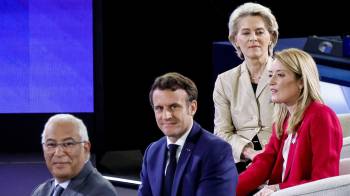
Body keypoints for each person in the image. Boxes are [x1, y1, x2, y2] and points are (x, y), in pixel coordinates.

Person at [236, 48, 343, 196]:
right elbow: (265, 162)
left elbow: (325, 181)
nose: (271, 82)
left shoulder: (321, 116)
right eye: (270, 75)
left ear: (301, 82)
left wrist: (278, 188)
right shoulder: (283, 119)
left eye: (280, 75)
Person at [138, 72, 238, 196]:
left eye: (174, 107)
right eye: (159, 108)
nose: (166, 116)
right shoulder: (152, 152)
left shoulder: (216, 151)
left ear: (192, 108)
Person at [213, 2, 279, 173]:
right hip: (240, 159)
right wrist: (249, 153)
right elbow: (221, 133)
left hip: (281, 156)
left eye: (259, 32)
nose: (253, 38)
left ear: (271, 36)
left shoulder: (289, 74)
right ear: (235, 39)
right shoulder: (224, 81)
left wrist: (269, 153)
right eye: (246, 33)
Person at [31, 114, 118, 196]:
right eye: (51, 144)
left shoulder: (100, 192)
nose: (58, 153)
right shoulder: (41, 191)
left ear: (85, 148)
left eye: (68, 144)